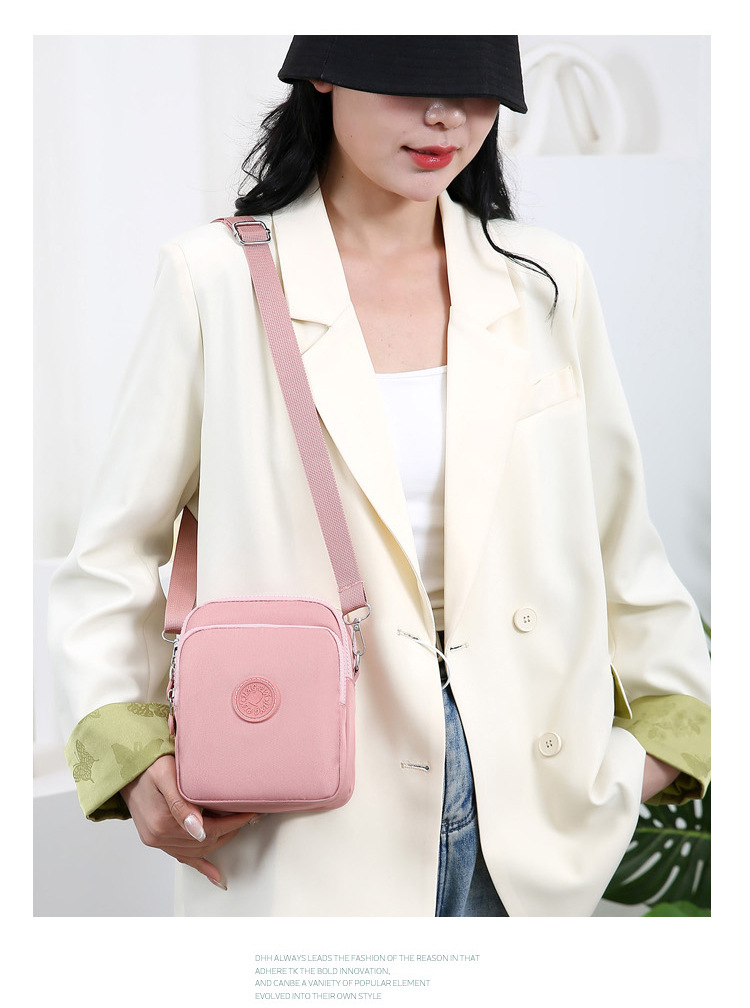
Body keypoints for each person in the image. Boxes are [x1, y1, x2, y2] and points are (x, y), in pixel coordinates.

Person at [49, 36, 710, 917]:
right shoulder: (216, 279)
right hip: (309, 807)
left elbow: (619, 533)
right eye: (412, 82)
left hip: (534, 808)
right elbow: (112, 554)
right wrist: (131, 757)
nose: (445, 117)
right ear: (324, 71)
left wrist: (666, 735)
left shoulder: (547, 276)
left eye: (475, 91)